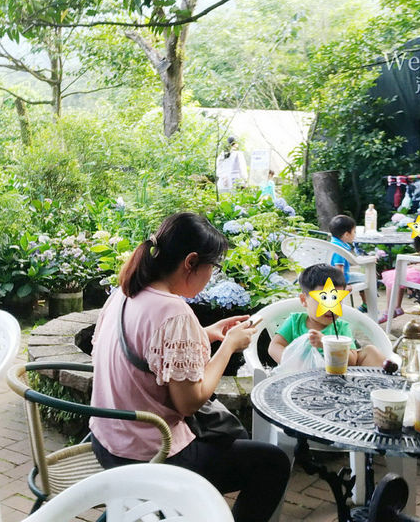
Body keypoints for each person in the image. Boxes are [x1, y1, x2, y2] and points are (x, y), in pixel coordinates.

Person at [89, 212, 290, 522]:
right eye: (212, 267)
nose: (212, 275)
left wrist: (206, 334)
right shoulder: (174, 312)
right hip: (152, 457)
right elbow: (189, 402)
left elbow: (142, 350)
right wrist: (228, 346)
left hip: (106, 443)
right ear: (191, 262)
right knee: (272, 463)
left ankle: (134, 509)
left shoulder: (125, 292)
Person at [268, 264, 388, 367]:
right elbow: (274, 346)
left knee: (371, 351)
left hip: (335, 381)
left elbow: (352, 361)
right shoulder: (296, 321)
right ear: (304, 300)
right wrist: (292, 363)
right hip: (300, 379)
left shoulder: (341, 327)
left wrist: (327, 344)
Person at [378, 210, 420, 324]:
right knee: (396, 275)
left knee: (394, 276)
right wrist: (415, 265)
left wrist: (414, 266)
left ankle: (390, 310)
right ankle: (396, 307)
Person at [328, 214, 370, 312]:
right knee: (369, 278)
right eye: (354, 232)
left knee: (363, 276)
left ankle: (365, 304)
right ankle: (366, 305)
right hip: (341, 279)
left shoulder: (334, 243)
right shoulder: (339, 249)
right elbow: (339, 269)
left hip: (331, 277)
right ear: (346, 234)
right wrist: (342, 286)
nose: (355, 234)